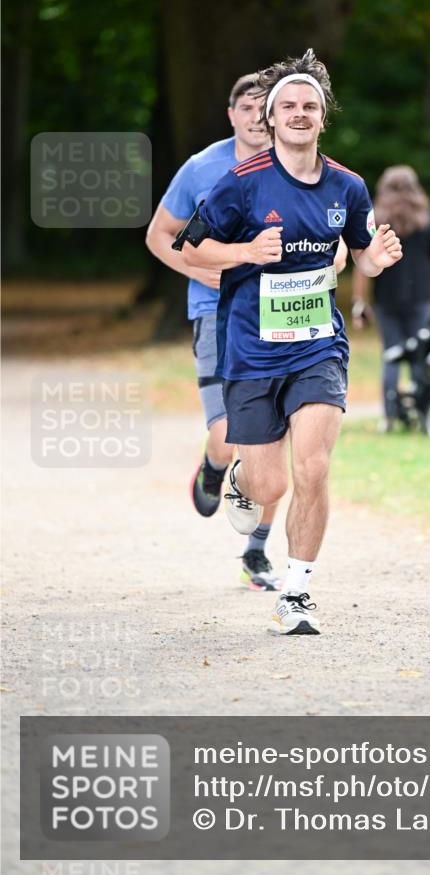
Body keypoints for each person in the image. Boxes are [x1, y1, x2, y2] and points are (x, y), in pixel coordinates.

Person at [181, 48, 402, 635]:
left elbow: (360, 253)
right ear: (270, 119)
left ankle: (298, 589)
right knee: (270, 483)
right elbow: (191, 247)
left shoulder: (348, 187)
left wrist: (373, 262)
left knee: (314, 467)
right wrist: (245, 252)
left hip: (317, 347)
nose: (300, 113)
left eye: (311, 105)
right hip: (251, 349)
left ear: (322, 117)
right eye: (289, 106)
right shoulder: (241, 185)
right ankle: (239, 481)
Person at [145, 74, 284, 590]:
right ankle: (212, 466)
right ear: (231, 114)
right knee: (228, 434)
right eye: (244, 107)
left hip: (281, 315)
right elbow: (159, 235)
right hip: (217, 310)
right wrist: (193, 269)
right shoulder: (203, 167)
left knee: (279, 436)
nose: (254, 117)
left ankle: (256, 553)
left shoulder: (295, 165)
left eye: (261, 108)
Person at [351, 165, 430, 430]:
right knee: (421, 355)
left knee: (391, 355)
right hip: (422, 297)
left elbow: (363, 264)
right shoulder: (425, 220)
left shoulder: (376, 221)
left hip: (387, 298)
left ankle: (390, 414)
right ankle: (422, 409)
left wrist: (360, 301)